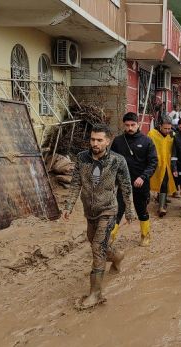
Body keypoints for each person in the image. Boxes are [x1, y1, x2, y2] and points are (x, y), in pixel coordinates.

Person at [63, 124, 136, 309]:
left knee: (97, 247)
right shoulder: (82, 158)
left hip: (108, 210)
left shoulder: (117, 161)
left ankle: (95, 294)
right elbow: (75, 183)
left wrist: (129, 211)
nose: (94, 143)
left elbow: (126, 188)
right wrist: (68, 206)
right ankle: (118, 256)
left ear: (108, 141)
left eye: (99, 140)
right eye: (92, 139)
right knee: (96, 242)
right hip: (90, 211)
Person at [110, 112, 158, 247]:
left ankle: (145, 235)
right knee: (117, 210)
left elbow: (153, 162)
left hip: (140, 183)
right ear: (123, 125)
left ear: (138, 125)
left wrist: (143, 177)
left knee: (141, 209)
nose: (130, 128)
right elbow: (111, 161)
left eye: (133, 125)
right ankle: (110, 238)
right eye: (127, 125)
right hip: (122, 183)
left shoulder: (147, 141)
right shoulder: (118, 141)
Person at [148, 116, 177, 217]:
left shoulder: (172, 135)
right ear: (160, 126)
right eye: (165, 128)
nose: (168, 130)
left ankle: (162, 206)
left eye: (169, 128)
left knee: (164, 182)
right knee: (155, 182)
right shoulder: (152, 134)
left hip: (167, 164)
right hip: (155, 163)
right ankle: (157, 200)